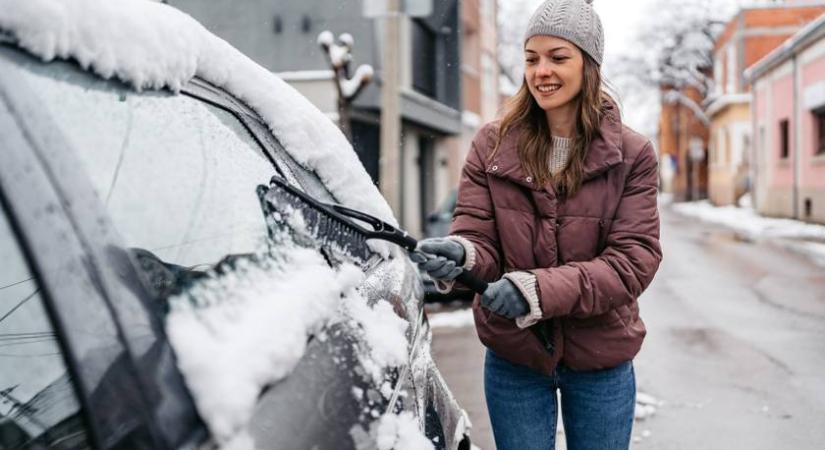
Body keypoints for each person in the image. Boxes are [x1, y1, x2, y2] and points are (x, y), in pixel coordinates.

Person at [414, 0, 663, 448]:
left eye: (558, 57)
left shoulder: (632, 153)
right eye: (531, 58)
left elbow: (632, 262)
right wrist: (463, 253)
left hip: (600, 357)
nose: (541, 71)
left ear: (589, 65)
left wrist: (535, 290)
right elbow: (479, 236)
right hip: (516, 358)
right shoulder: (492, 144)